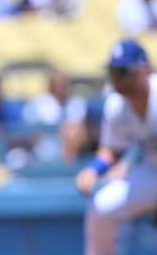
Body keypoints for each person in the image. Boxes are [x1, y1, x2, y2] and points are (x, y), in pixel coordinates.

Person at [75, 38, 157, 255]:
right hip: (152, 170)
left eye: (122, 71)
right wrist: (93, 170)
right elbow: (111, 149)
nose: (115, 78)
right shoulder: (116, 105)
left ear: (143, 70)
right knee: (102, 207)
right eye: (112, 71)